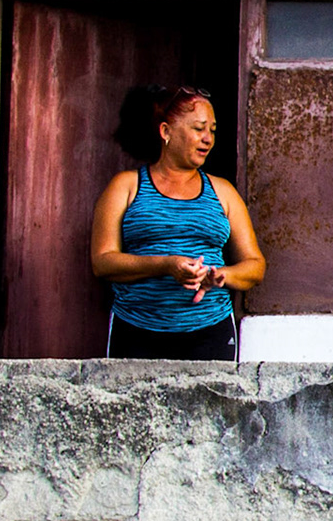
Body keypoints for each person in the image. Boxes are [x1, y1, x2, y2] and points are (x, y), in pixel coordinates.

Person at [90, 84, 265, 361]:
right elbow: (102, 262)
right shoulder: (126, 186)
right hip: (136, 330)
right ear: (166, 131)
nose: (208, 139)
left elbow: (255, 265)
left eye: (213, 131)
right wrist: (166, 265)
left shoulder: (223, 191)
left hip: (210, 331)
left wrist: (220, 275)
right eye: (199, 128)